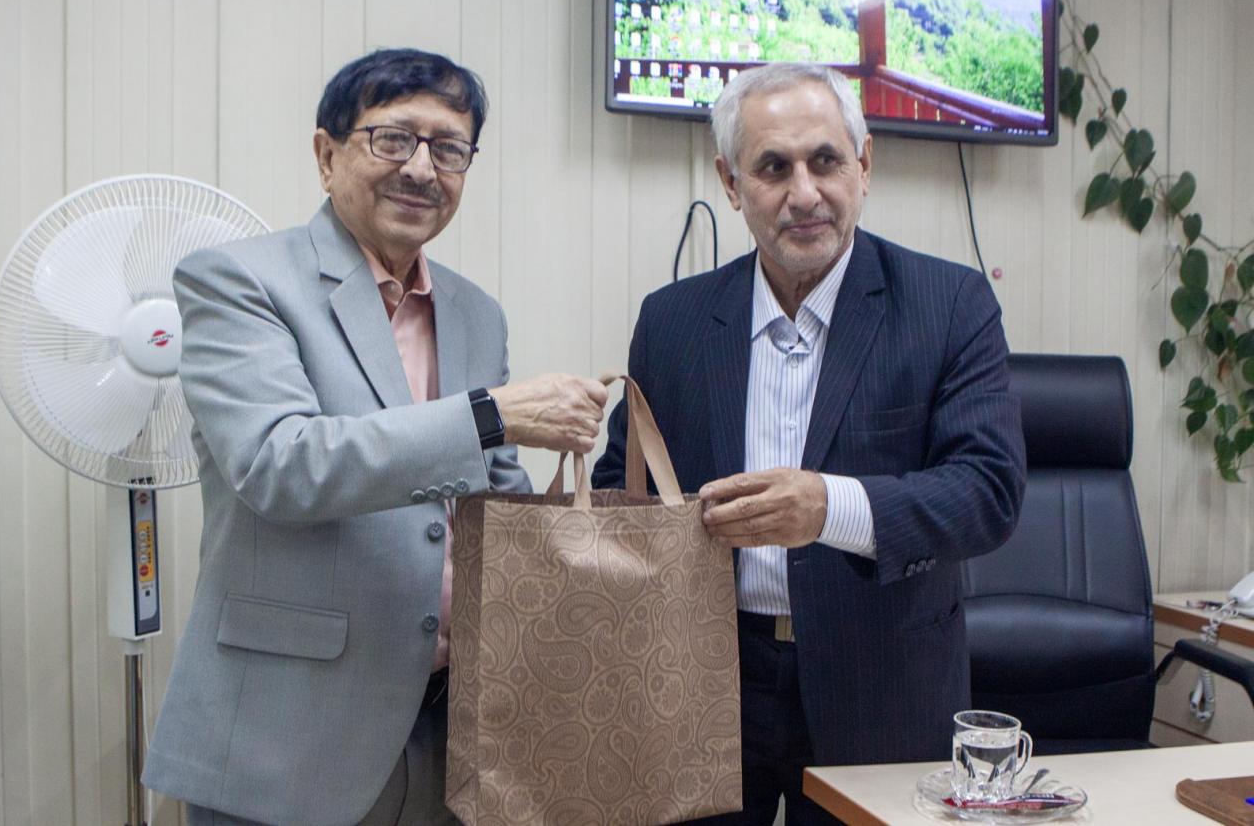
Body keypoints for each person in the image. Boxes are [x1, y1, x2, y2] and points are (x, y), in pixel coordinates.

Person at [143, 48, 607, 826]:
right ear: (326, 156)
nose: (422, 169)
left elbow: (492, 498)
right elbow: (279, 463)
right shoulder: (238, 280)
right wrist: (492, 413)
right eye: (393, 139)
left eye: (449, 148)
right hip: (287, 736)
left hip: (452, 727)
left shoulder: (475, 312)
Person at [593, 63, 1026, 825]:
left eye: (825, 160)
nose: (804, 193)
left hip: (883, 680)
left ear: (864, 167)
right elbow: (621, 490)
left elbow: (988, 491)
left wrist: (829, 507)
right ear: (731, 184)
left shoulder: (949, 304)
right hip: (704, 678)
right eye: (773, 167)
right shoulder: (671, 321)